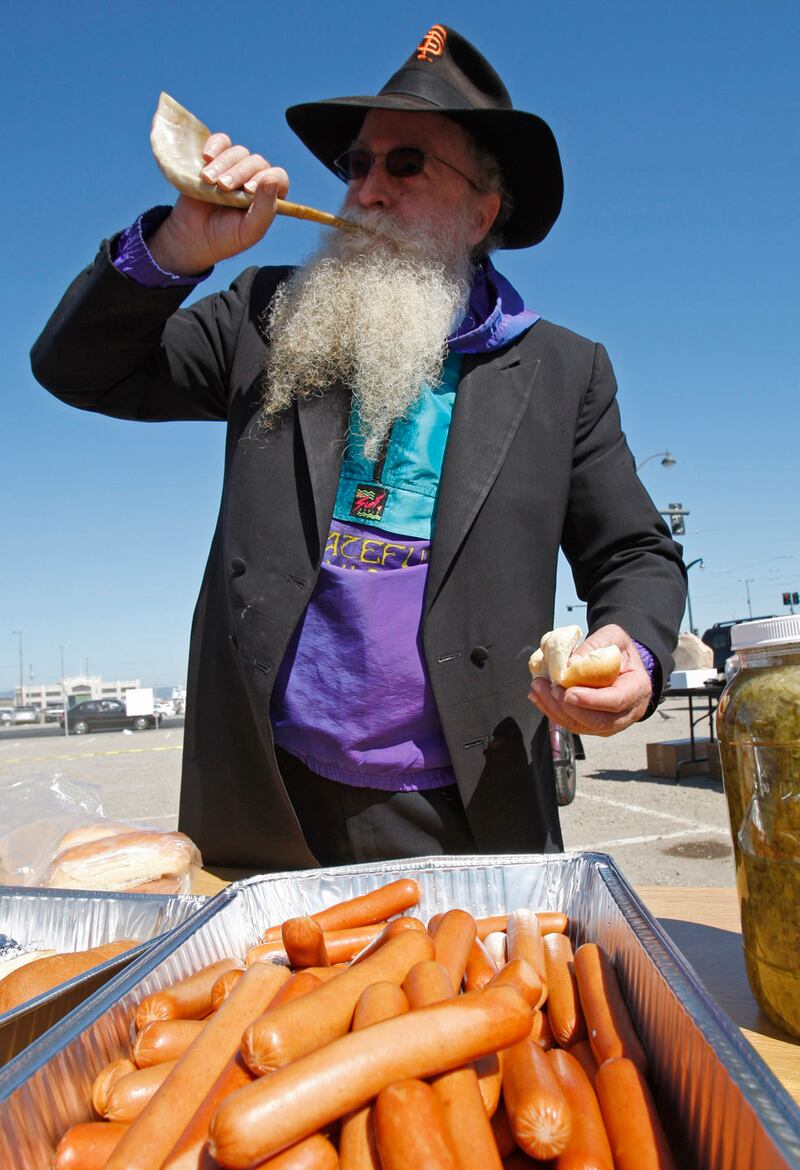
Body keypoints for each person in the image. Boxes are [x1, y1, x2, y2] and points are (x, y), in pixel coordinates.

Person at [31, 26, 686, 870]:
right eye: (355, 165)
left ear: (482, 211)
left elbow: (633, 551)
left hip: (463, 803)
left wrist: (630, 650)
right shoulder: (267, 314)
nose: (367, 190)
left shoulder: (563, 370)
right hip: (264, 795)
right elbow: (79, 370)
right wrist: (175, 250)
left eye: (405, 164)